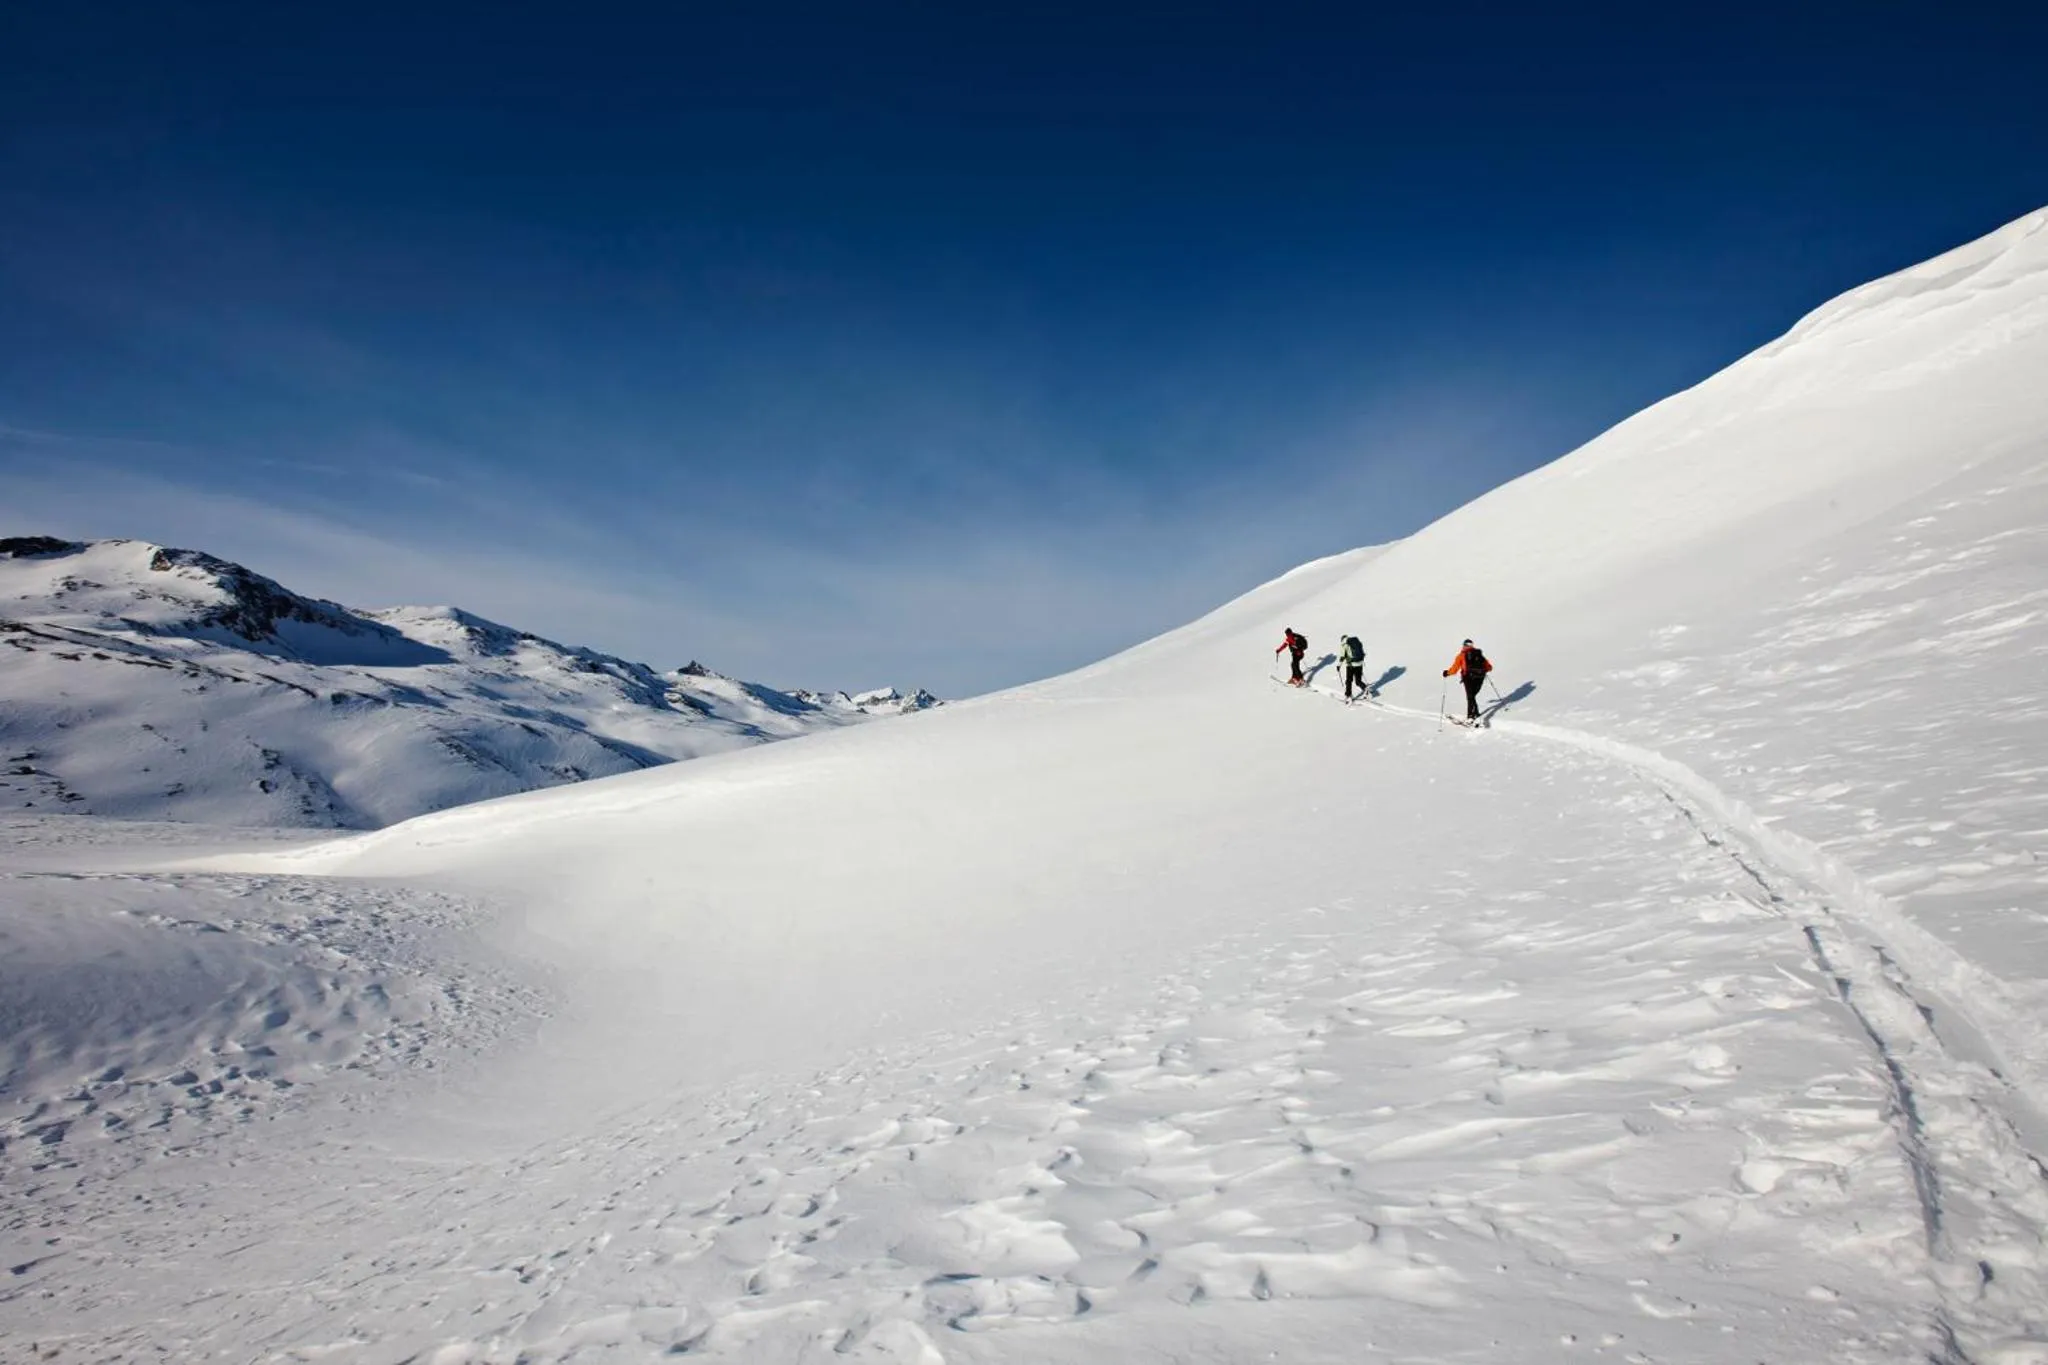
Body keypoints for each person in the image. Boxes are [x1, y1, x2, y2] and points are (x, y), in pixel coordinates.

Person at [1443, 638, 1492, 722]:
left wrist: (1447, 673)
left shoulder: (1461, 655)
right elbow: (1489, 667)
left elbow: (1454, 669)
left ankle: (1470, 716)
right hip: (1480, 677)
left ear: (1464, 645)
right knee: (1472, 696)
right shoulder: (1479, 654)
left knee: (1470, 697)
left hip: (1468, 677)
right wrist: (1481, 670)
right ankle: (1475, 713)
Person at [1338, 633, 1367, 701]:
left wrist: (1338, 665)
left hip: (1351, 665)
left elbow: (1342, 656)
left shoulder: (1344, 644)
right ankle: (1366, 689)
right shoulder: (1356, 642)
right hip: (1359, 664)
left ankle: (1348, 695)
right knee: (1358, 681)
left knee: (1349, 680)